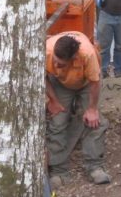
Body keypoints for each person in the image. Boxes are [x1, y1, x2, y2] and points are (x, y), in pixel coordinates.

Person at [46, 32, 110, 186]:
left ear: (74, 58)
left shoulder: (88, 55)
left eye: (60, 63)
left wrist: (92, 109)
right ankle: (59, 171)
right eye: (55, 61)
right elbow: (42, 76)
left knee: (94, 122)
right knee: (57, 122)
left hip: (86, 82)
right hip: (59, 82)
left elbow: (95, 82)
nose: (56, 65)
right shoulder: (46, 51)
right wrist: (53, 100)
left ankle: (94, 167)